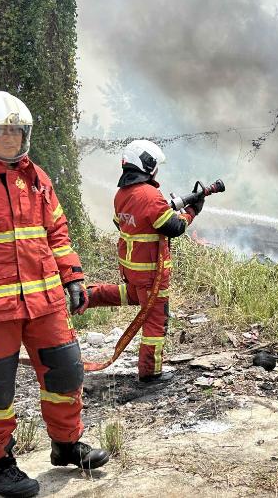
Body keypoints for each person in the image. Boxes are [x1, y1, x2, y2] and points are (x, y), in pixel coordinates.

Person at [0, 91, 109, 498]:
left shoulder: (36, 179)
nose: (11, 140)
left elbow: (57, 232)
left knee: (67, 372)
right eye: (0, 132)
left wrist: (73, 278)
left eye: (16, 132)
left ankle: (66, 445)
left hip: (46, 302)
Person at [85, 140, 203, 383]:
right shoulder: (150, 195)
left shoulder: (121, 194)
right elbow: (174, 226)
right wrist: (192, 211)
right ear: (146, 164)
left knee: (133, 295)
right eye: (155, 165)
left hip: (133, 270)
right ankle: (150, 373)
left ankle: (89, 296)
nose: (156, 170)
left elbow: (122, 223)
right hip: (151, 274)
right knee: (155, 322)